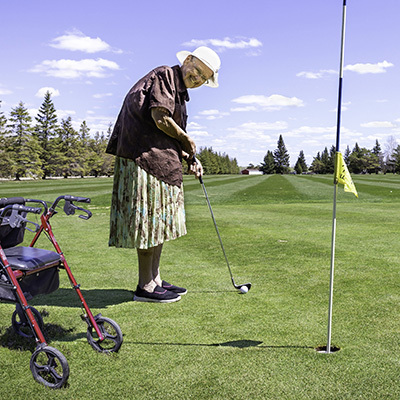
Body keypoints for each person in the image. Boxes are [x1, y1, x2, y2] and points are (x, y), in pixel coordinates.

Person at [106, 46, 221, 303]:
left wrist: (191, 158)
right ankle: (145, 285)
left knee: (158, 226)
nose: (198, 78)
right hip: (143, 159)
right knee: (149, 225)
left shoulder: (179, 92)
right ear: (187, 60)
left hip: (160, 162)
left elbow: (169, 136)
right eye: (197, 70)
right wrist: (186, 138)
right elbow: (160, 118)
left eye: (204, 77)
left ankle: (155, 278)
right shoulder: (165, 75)